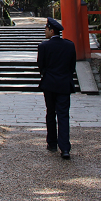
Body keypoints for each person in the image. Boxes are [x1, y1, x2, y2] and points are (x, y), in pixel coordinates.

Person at [37, 17, 77, 159]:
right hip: (64, 84)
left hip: (49, 83)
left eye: (46, 29)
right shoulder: (69, 45)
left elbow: (41, 66)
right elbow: (72, 66)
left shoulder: (43, 46)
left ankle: (52, 143)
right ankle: (65, 148)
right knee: (63, 115)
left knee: (51, 113)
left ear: (51, 30)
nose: (45, 31)